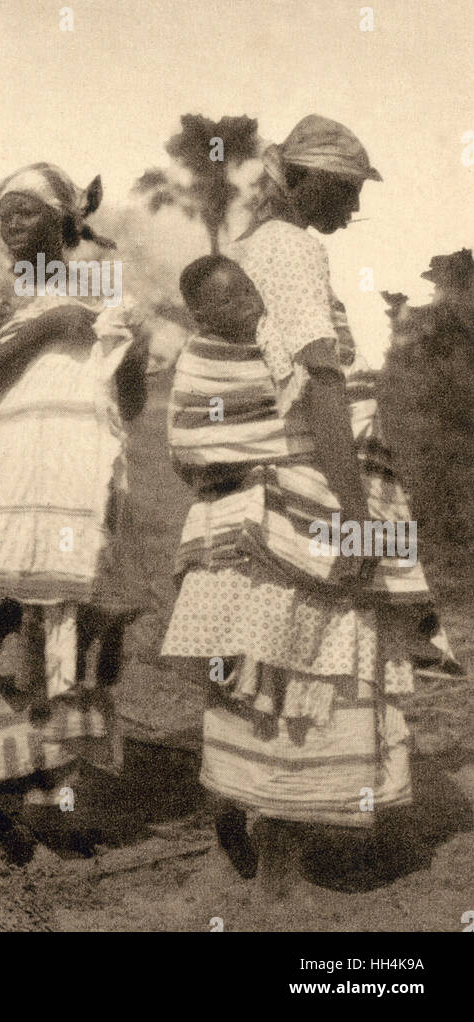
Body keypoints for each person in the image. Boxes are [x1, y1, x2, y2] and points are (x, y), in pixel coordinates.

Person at [161, 118, 456, 895]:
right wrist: (355, 514)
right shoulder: (293, 249)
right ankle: (280, 869)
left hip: (253, 491)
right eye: (349, 190)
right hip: (301, 486)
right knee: (308, 665)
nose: (354, 209)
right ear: (310, 180)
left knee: (257, 661)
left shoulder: (254, 247)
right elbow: (318, 378)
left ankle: (233, 809)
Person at [0, 162, 147, 857]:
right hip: (2, 493)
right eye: (4, 214)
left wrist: (132, 353)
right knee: (0, 628)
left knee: (69, 635)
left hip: (74, 490)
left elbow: (129, 405)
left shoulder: (98, 294)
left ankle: (53, 799)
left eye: (25, 212)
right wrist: (46, 326)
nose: (10, 224)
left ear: (63, 221)